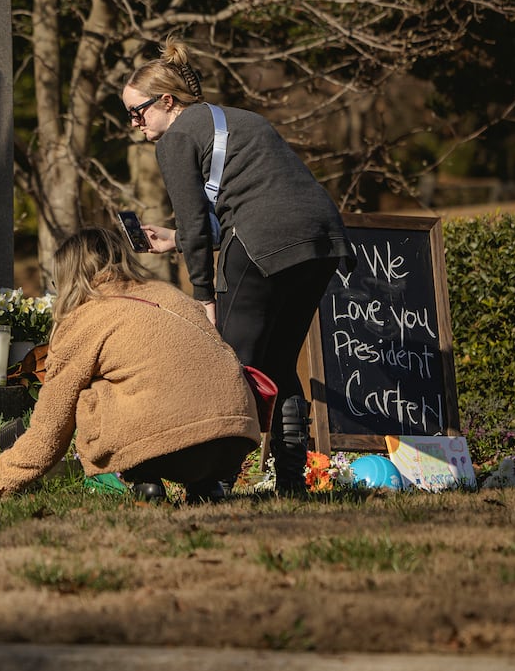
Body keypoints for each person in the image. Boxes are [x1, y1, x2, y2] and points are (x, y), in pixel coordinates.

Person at [120, 40, 351, 493]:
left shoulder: (177, 138)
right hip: (323, 240)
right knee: (280, 361)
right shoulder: (243, 120)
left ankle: (213, 482)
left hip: (264, 240)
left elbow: (199, 221)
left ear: (168, 102)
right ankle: (290, 480)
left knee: (229, 367)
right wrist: (176, 241)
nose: (135, 123)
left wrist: (204, 296)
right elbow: (264, 201)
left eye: (139, 112)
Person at [0, 227, 261, 502]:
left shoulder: (84, 319)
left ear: (69, 277)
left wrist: (2, 476)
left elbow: (52, 426)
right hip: (235, 440)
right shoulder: (172, 294)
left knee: (87, 394)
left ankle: (147, 481)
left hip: (166, 449)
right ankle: (205, 486)